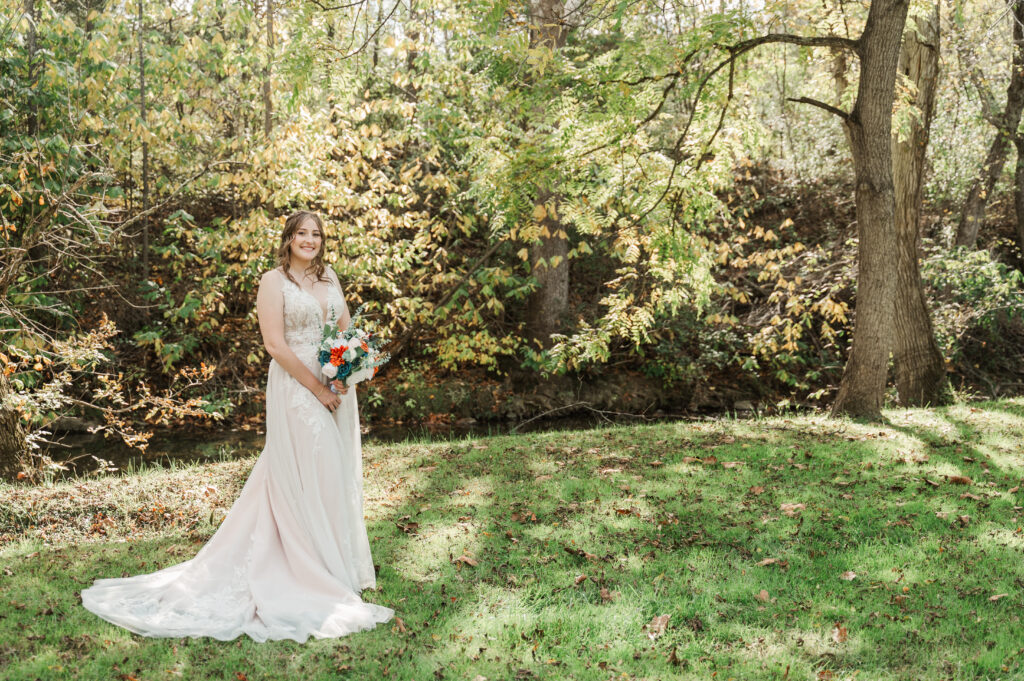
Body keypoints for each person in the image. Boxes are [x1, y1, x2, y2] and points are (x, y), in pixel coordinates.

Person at [80, 211, 394, 642]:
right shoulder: (273, 281)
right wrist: (317, 389)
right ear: (288, 238)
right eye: (302, 233)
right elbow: (274, 344)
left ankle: (331, 563)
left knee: (326, 472)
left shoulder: (330, 278)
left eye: (316, 234)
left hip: (333, 384)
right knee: (315, 462)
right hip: (295, 385)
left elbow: (348, 333)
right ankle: (306, 569)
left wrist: (345, 371)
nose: (309, 240)